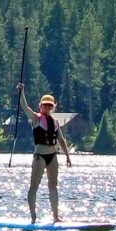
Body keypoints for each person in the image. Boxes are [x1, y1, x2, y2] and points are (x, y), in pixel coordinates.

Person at [16, 82, 72, 223]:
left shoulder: (55, 122)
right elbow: (24, 106)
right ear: (40, 106)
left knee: (53, 186)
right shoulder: (36, 118)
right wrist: (22, 91)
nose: (47, 107)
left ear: (52, 107)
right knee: (34, 186)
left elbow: (61, 139)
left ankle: (55, 216)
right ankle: (33, 217)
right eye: (45, 105)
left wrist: (67, 156)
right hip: (39, 156)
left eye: (49, 106)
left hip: (52, 156)